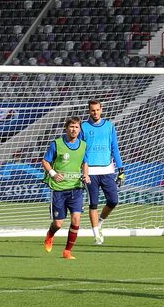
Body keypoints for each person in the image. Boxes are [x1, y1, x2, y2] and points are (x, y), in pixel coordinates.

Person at [42, 116, 89, 260]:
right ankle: (50, 235)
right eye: (71, 127)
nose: (74, 129)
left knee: (76, 219)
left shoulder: (83, 145)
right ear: (66, 128)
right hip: (59, 189)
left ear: (79, 129)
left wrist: (86, 175)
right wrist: (53, 173)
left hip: (76, 188)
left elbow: (85, 163)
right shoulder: (57, 144)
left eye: (76, 127)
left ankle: (67, 251)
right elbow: (45, 161)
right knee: (58, 223)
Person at [80, 99, 125, 245]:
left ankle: (99, 222)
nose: (95, 112)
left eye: (97, 110)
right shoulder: (83, 127)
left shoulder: (109, 126)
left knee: (113, 200)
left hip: (107, 170)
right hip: (90, 171)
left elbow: (115, 148)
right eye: (92, 110)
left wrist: (121, 169)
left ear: (101, 109)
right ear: (89, 111)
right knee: (93, 203)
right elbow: (80, 150)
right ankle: (96, 235)